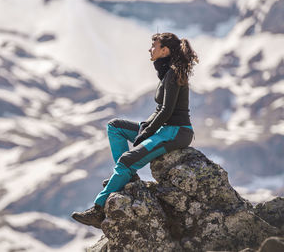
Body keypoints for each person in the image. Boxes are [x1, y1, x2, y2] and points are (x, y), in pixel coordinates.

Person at [71, 32, 199, 229]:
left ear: (164, 50)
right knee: (116, 127)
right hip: (164, 128)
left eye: (154, 46)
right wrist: (146, 126)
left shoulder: (173, 73)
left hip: (176, 132)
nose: (150, 49)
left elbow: (167, 111)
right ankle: (128, 178)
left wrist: (145, 134)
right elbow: (159, 111)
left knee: (126, 160)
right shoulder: (167, 72)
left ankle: (98, 210)